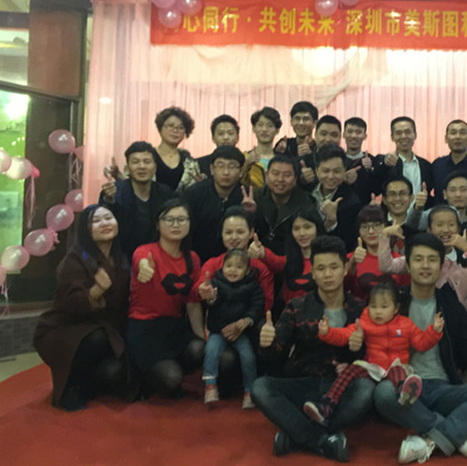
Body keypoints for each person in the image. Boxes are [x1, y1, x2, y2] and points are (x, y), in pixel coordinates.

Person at [373, 232, 467, 464]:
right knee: (383, 393)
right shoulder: (395, 303)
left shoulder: (449, 303)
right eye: (418, 259)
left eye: (432, 260)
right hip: (405, 389)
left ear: (441, 264)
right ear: (408, 265)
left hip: (444, 388)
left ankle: (428, 439)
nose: (425, 266)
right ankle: (451, 433)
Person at [252, 236, 374, 462]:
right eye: (321, 268)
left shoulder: (360, 308)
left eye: (334, 267)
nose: (328, 274)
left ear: (345, 269)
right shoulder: (297, 306)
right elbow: (276, 355)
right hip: (303, 384)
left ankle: (296, 435)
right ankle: (322, 440)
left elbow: (371, 358)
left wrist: (357, 350)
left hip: (341, 388)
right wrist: (267, 344)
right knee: (260, 387)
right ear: (313, 273)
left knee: (366, 390)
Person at [302, 280, 444, 426]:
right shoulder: (364, 323)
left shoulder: (406, 324)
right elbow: (344, 335)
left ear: (396, 308)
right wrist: (327, 332)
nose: (378, 311)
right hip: (373, 368)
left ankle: (406, 392)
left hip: (395, 369)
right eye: (373, 306)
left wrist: (434, 331)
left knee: (398, 370)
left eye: (384, 307)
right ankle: (327, 404)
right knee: (351, 369)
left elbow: (421, 343)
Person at [34, 205, 132, 411]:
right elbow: (69, 304)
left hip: (105, 327)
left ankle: (89, 383)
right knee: (98, 337)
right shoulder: (75, 259)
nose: (104, 223)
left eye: (108, 218)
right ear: (86, 230)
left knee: (115, 372)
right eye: (96, 221)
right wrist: (96, 291)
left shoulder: (121, 257)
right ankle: (72, 386)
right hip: (65, 328)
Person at [125, 198, 205, 398]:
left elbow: (192, 303)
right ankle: (142, 373)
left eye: (181, 219)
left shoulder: (193, 259)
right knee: (172, 379)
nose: (175, 224)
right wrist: (144, 268)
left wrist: (203, 337)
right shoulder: (145, 252)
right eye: (169, 219)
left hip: (174, 327)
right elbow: (140, 262)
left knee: (200, 349)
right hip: (144, 328)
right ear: (157, 224)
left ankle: (163, 368)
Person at [381, 205, 467, 317]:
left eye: (451, 225)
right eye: (439, 225)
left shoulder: (463, 257)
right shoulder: (421, 257)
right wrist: (385, 236)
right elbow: (386, 266)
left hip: (459, 317)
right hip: (428, 315)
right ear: (429, 230)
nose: (446, 230)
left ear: (458, 228)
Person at [199, 248, 264, 409]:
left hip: (241, 332)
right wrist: (211, 298)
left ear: (247, 270)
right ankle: (210, 385)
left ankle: (249, 390)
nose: (233, 270)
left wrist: (247, 320)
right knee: (210, 351)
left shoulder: (253, 285)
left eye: (239, 267)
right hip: (218, 330)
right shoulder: (216, 283)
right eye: (229, 266)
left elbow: (257, 306)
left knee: (248, 356)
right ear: (222, 267)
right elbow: (210, 303)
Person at [99, 141, 173, 259]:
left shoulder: (164, 193)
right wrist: (109, 199)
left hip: (156, 256)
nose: (141, 166)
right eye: (135, 162)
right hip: (121, 258)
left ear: (155, 168)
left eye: (147, 162)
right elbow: (105, 221)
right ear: (127, 168)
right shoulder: (115, 191)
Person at [181, 145, 248, 262]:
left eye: (232, 166)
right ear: (212, 169)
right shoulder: (194, 193)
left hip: (235, 263)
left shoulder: (248, 196)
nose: (226, 172)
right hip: (195, 259)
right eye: (220, 166)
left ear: (241, 171)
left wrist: (251, 213)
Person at [252, 154, 315, 255]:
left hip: (292, 256)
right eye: (275, 173)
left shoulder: (306, 202)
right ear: (266, 175)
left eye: (287, 175)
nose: (280, 179)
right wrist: (249, 213)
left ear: (295, 179)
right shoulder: (255, 197)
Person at [345, 205, 409, 301]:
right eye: (364, 227)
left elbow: (406, 292)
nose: (371, 231)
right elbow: (344, 288)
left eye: (376, 225)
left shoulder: (398, 261)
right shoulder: (351, 258)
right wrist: (352, 265)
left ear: (386, 227)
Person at [431, 120, 467, 215]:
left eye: (462, 133)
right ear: (446, 139)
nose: (458, 137)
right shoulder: (437, 165)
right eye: (453, 133)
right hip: (441, 219)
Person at [312, 144, 362, 250]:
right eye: (326, 171)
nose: (331, 176)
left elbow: (347, 244)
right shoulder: (307, 191)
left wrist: (331, 222)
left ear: (344, 171)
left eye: (337, 171)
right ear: (316, 171)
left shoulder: (352, 202)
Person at [376, 116, 434, 206]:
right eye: (398, 133)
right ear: (392, 137)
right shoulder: (386, 162)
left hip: (421, 213)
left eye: (407, 132)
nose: (403, 136)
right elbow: (376, 184)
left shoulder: (426, 166)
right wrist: (385, 164)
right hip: (392, 213)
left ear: (415, 135)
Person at [150, 106, 200, 191]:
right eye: (170, 126)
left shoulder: (189, 162)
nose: (175, 130)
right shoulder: (147, 156)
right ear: (160, 128)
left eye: (180, 128)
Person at [343, 116, 380, 204]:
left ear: (365, 136)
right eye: (350, 132)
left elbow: (377, 190)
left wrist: (370, 170)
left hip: (364, 208)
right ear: (343, 134)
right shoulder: (337, 160)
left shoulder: (373, 161)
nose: (354, 136)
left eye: (358, 132)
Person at [243, 107, 282, 189]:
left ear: (277, 130)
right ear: (254, 129)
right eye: (260, 125)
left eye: (270, 125)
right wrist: (246, 166)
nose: (264, 129)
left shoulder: (283, 160)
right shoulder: (244, 158)